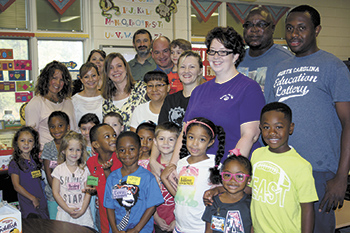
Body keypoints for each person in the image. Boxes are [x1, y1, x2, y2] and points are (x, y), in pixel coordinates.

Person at [265, 5, 350, 232]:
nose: (294, 34)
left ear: (317, 30)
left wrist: (341, 177)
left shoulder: (334, 67)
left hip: (319, 173)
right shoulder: (277, 69)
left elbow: (348, 123)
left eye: (302, 28)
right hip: (281, 169)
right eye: (290, 28)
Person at [251, 102, 318, 232]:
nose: (272, 132)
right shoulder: (256, 155)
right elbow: (251, 190)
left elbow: (307, 209)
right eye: (266, 127)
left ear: (290, 128)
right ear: (260, 128)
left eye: (279, 127)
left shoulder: (301, 166)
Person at [161, 117, 225, 233]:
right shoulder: (181, 163)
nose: (195, 144)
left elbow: (226, 192)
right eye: (191, 137)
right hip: (180, 227)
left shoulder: (214, 165)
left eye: (202, 140)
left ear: (210, 142)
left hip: (201, 228)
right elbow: (179, 196)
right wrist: (164, 179)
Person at [104, 131, 164, 233]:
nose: (127, 154)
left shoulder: (148, 178)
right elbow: (109, 206)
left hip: (142, 230)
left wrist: (137, 229)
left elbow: (152, 207)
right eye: (122, 150)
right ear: (117, 154)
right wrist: (114, 229)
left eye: (132, 149)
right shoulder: (112, 178)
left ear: (140, 151)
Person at [237, 6, 293, 94]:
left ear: (272, 28)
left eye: (261, 24)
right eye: (249, 25)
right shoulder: (236, 59)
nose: (254, 30)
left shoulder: (286, 60)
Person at [25, 60, 77, 149]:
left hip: (67, 154)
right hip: (45, 155)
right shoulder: (36, 103)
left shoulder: (68, 102)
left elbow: (73, 130)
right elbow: (30, 136)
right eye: (54, 78)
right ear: (46, 79)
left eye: (61, 80)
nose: (57, 83)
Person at [202, 150, 252, 233]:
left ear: (248, 180)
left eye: (239, 176)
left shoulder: (251, 204)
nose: (232, 180)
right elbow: (208, 230)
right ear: (221, 176)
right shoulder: (212, 202)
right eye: (227, 175)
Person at [51, 131, 93, 228]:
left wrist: (82, 210)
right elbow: (55, 193)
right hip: (64, 213)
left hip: (83, 214)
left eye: (78, 150)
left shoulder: (86, 170)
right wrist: (67, 209)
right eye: (71, 149)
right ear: (63, 151)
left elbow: (89, 191)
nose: (74, 153)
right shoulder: (58, 170)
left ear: (82, 151)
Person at [86, 124, 123, 233]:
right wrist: (91, 189)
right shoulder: (91, 162)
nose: (113, 139)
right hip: (103, 214)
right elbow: (93, 179)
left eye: (114, 135)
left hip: (121, 212)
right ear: (96, 144)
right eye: (107, 136)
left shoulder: (121, 160)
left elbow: (117, 188)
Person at [8, 126, 49, 219]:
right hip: (28, 204)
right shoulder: (15, 163)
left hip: (42, 202)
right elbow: (16, 186)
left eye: (30, 141)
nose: (26, 143)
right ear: (16, 143)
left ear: (34, 144)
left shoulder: (36, 161)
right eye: (22, 140)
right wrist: (32, 198)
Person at [101, 52, 147, 130]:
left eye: (119, 66)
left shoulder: (142, 89)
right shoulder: (107, 102)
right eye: (111, 68)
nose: (115, 70)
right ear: (107, 73)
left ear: (126, 68)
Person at [158, 50, 204, 128]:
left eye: (192, 67)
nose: (186, 71)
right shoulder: (170, 100)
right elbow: (162, 130)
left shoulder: (206, 99)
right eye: (182, 67)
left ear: (200, 71)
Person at [152, 122, 180, 233]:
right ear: (155, 141)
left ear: (178, 142)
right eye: (162, 139)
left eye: (171, 139)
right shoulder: (151, 167)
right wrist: (156, 218)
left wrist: (177, 220)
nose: (166, 143)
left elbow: (184, 198)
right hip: (156, 221)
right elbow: (147, 197)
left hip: (178, 221)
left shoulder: (181, 167)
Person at [42, 111, 70, 220]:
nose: (56, 130)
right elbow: (48, 173)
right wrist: (56, 192)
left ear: (68, 127)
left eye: (60, 126)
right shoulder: (48, 147)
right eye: (52, 127)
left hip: (72, 194)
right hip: (53, 195)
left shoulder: (72, 144)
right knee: (56, 224)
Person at [78, 113, 100, 231]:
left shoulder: (99, 147)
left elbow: (95, 171)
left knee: (93, 211)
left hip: (94, 184)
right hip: (80, 184)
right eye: (83, 129)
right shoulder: (78, 146)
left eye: (90, 129)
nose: (87, 132)